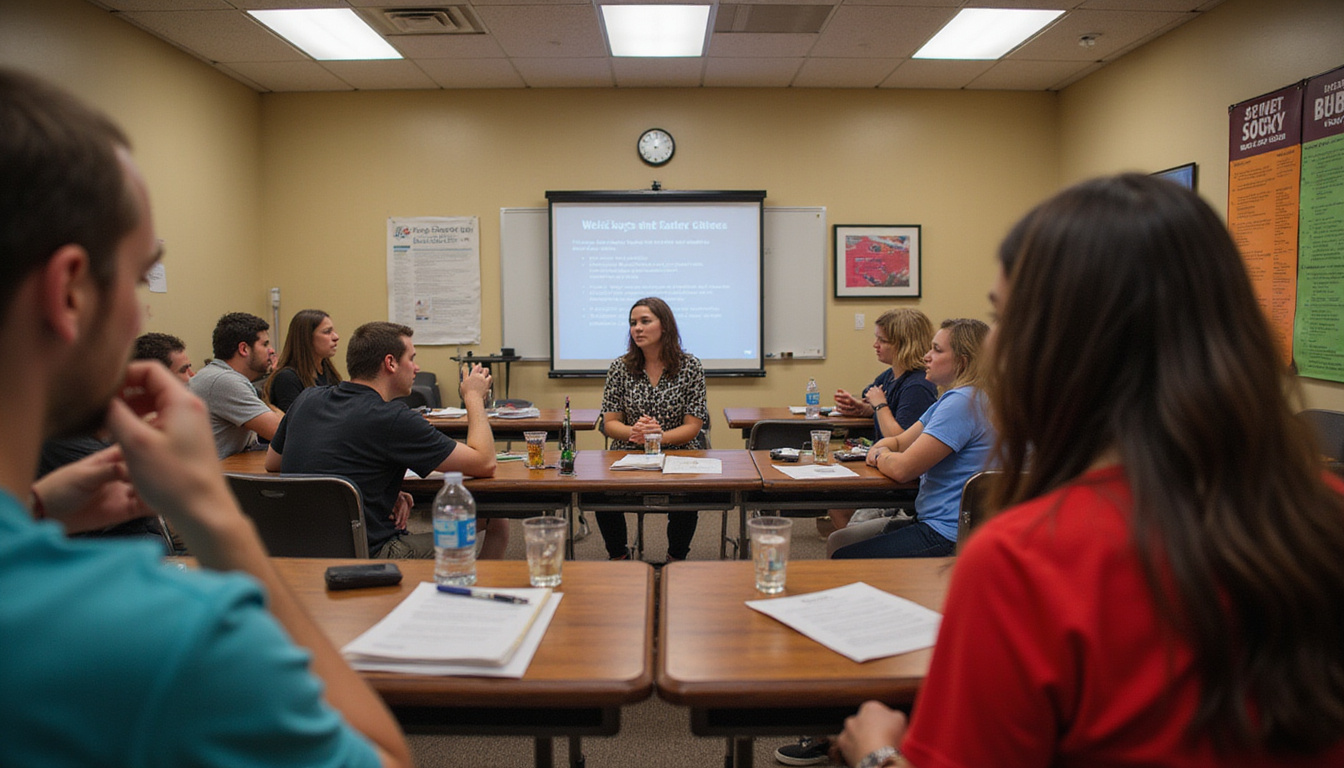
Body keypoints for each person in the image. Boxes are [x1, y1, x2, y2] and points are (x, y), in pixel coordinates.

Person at [834, 174, 1344, 768]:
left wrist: (877, 753)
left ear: (1068, 343)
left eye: (1005, 317)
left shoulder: (1024, 561)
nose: (994, 342)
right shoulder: (1324, 514)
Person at [0, 67, 410, 766]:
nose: (143, 314)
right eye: (137, 278)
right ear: (69, 293)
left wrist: (35, 507)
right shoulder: (152, 634)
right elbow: (384, 758)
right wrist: (220, 526)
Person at [266, 322, 505, 559]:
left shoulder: (307, 398)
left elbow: (274, 462)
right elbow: (484, 462)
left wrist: (377, 489)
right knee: (496, 520)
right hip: (367, 555)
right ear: (390, 363)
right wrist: (473, 396)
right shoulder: (394, 418)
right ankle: (471, 594)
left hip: (295, 556)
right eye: (411, 359)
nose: (416, 367)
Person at [826, 318, 993, 559]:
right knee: (839, 539)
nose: (926, 356)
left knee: (844, 556)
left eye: (936, 350)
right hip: (944, 524)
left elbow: (903, 469)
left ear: (962, 362)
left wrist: (879, 454)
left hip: (948, 534)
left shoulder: (962, 402)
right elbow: (900, 441)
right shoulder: (956, 399)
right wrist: (886, 450)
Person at [597, 297, 710, 561]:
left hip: (679, 452)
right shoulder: (620, 367)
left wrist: (659, 437)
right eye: (633, 323)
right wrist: (634, 433)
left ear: (665, 326)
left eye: (645, 321)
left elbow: (693, 426)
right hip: (628, 452)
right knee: (598, 490)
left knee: (688, 494)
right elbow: (610, 422)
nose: (637, 328)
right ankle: (619, 556)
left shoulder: (690, 366)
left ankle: (676, 557)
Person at [828, 308, 937, 530]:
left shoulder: (918, 385)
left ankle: (858, 551)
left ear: (905, 345)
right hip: (882, 463)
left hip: (903, 476)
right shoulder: (890, 376)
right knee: (835, 499)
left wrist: (879, 404)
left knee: (839, 503)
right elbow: (881, 407)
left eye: (883, 340)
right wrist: (863, 408)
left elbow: (901, 439)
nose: (875, 345)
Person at [190, 311, 281, 458]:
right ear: (244, 349)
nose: (271, 351)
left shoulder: (218, 375)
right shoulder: (224, 381)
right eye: (264, 344)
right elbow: (280, 432)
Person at [264, 308, 343, 412]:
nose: (336, 337)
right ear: (306, 338)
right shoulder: (287, 378)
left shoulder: (328, 371)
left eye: (333, 331)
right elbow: (294, 424)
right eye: (327, 332)